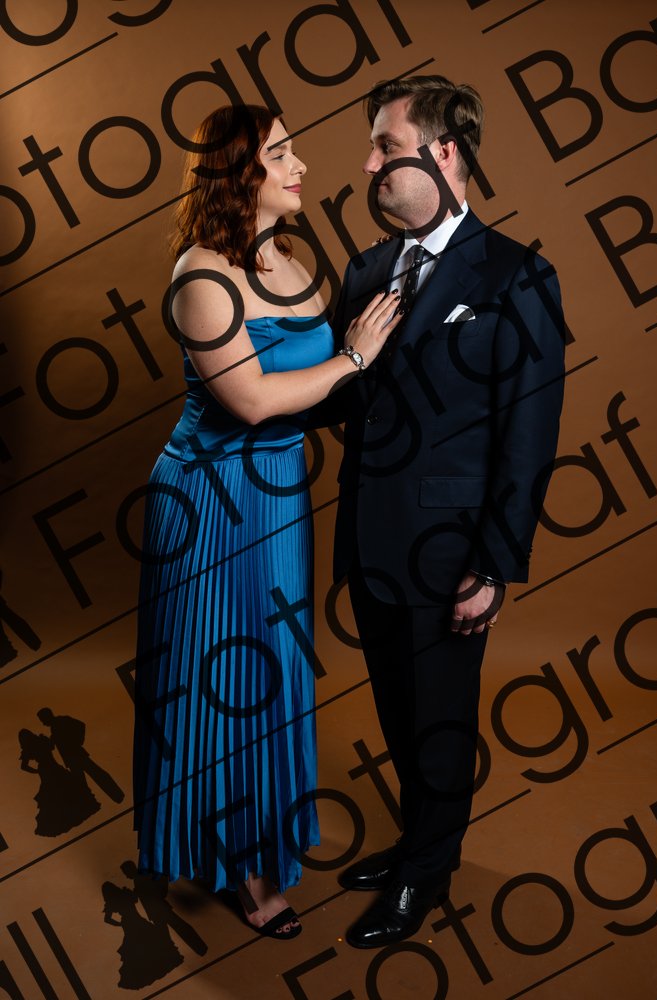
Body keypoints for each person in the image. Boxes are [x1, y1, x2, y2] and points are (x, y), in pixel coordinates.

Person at [132, 104, 399, 940]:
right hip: (209, 503)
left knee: (275, 672)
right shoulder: (200, 274)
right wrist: (353, 355)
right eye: (280, 153)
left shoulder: (290, 261)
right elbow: (251, 400)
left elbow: (316, 394)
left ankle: (256, 847)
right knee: (225, 678)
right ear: (238, 172)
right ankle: (240, 870)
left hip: (278, 497)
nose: (300, 167)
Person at [329, 75, 565, 948]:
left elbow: (528, 434)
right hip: (370, 538)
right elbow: (338, 396)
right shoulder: (364, 270)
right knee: (398, 709)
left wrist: (494, 564)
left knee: (438, 720)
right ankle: (414, 845)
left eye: (385, 147)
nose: (368, 167)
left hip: (451, 550)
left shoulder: (516, 273)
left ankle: (425, 874)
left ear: (445, 153)